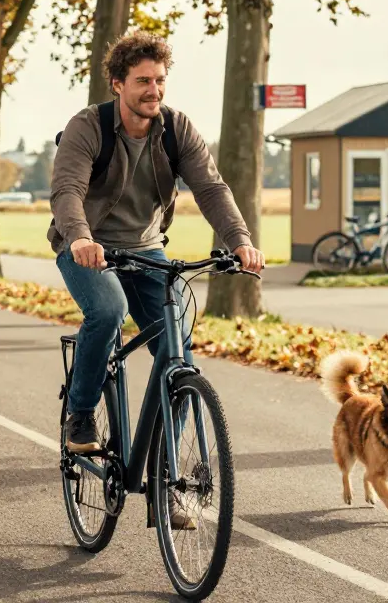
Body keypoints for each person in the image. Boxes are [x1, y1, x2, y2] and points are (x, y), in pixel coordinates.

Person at [49, 32, 265, 525]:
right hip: (87, 248)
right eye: (143, 80)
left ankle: (168, 482)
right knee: (107, 311)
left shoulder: (175, 128)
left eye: (160, 80)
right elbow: (67, 189)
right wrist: (81, 237)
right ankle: (81, 414)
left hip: (147, 250)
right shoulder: (89, 126)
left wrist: (240, 240)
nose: (154, 90)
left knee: (179, 357)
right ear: (118, 83)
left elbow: (211, 186)